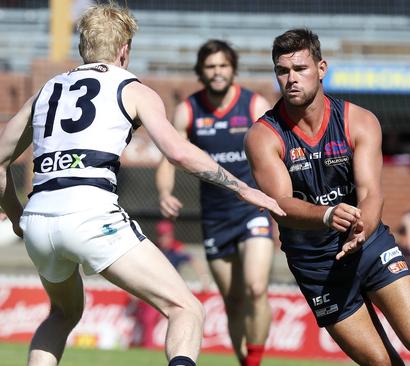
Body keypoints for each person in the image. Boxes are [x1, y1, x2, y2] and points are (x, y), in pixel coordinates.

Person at [0, 4, 284, 366]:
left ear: (83, 46)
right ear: (124, 49)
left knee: (60, 314)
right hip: (89, 213)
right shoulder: (132, 87)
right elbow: (178, 152)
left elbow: (1, 162)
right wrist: (243, 188)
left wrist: (18, 217)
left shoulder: (45, 91)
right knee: (186, 308)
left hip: (41, 217)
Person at [245, 28, 410, 366]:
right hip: (315, 262)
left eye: (300, 69)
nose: (291, 79)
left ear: (321, 68)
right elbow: (280, 205)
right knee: (381, 363)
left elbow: (371, 191)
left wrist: (364, 227)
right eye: (282, 71)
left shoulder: (358, 120)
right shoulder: (263, 135)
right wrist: (327, 215)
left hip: (369, 243)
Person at [155, 39, 275, 366]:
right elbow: (169, 158)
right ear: (201, 71)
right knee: (233, 301)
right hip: (215, 218)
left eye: (223, 65)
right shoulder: (188, 110)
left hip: (252, 209)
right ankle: (244, 361)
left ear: (233, 68)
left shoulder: (253, 104)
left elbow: (277, 146)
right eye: (210, 66)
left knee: (255, 288)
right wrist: (165, 193)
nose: (217, 72)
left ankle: (255, 362)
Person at [132, 219, 212, 349]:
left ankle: (181, 347)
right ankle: (148, 345)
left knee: (184, 315)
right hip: (154, 288)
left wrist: (204, 279)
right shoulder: (154, 247)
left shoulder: (177, 248)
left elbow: (195, 262)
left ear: (170, 235)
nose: (162, 238)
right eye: (160, 235)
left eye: (165, 235)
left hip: (172, 290)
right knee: (147, 317)